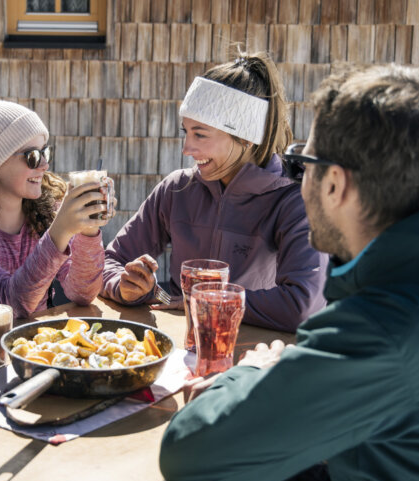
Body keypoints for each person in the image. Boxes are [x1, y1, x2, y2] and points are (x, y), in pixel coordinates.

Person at [159, 63, 419, 481]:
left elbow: (189, 451)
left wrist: (247, 373)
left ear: (334, 184)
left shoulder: (385, 325)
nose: (295, 182)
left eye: (301, 165)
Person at [101, 51, 328, 332]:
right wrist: (124, 286)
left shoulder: (293, 200)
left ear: (245, 137)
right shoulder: (177, 189)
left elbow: (303, 305)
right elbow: (108, 262)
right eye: (185, 132)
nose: (186, 148)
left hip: (251, 357)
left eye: (200, 134)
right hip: (177, 351)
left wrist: (207, 301)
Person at [0, 99, 109, 318]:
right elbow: (9, 306)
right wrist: (59, 232)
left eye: (45, 152)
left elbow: (82, 293)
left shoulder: (45, 214)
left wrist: (88, 229)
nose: (44, 165)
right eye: (32, 156)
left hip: (41, 347)